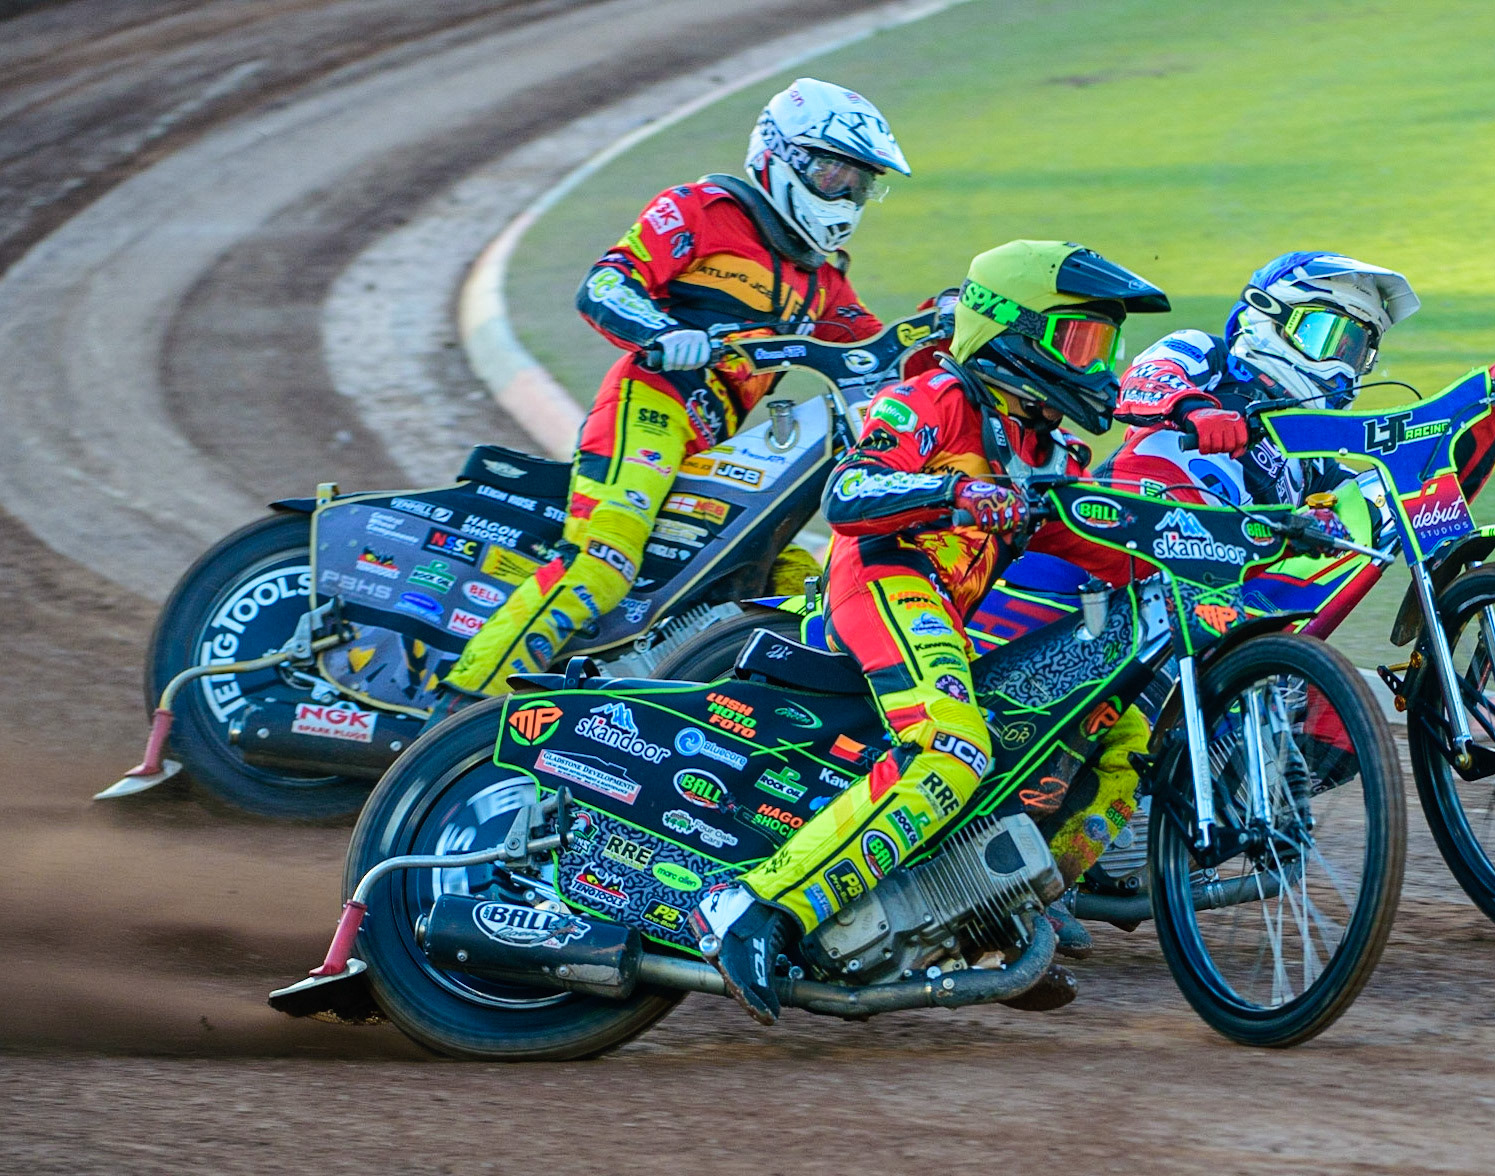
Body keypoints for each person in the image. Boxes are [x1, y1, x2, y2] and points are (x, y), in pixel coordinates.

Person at [690, 240, 1171, 1025]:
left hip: (940, 617)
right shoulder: (934, 396)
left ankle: (1003, 908)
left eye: (1104, 344)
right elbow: (850, 492)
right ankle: (750, 908)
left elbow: (1108, 545)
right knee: (954, 750)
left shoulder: (1044, 447)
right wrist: (956, 493)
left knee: (1123, 737)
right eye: (1079, 340)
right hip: (884, 581)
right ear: (1011, 332)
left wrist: (1242, 536)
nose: (1099, 362)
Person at [442, 78, 911, 700]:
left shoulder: (822, 279)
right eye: (834, 174)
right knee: (602, 563)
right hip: (650, 406)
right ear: (783, 158)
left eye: (860, 184)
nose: (846, 196)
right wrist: (664, 332)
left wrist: (949, 342)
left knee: (797, 584)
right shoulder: (702, 209)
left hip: (723, 449)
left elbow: (872, 350)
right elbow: (606, 284)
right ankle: (459, 709)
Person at [1100, 250, 1495, 531]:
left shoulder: (1315, 462)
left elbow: (1410, 503)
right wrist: (1198, 412)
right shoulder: (1211, 355)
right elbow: (1146, 377)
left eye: (1356, 349)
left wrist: (1487, 412)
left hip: (1218, 596)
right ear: (1266, 316)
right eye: (1326, 335)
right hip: (1116, 533)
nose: (1340, 364)